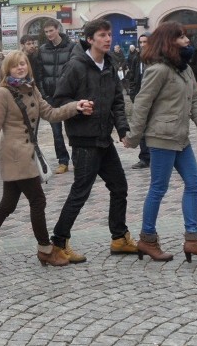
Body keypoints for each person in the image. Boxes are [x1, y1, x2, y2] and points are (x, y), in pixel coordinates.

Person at [0, 51, 93, 270]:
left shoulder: (31, 88)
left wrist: (75, 107)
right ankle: (45, 250)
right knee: (37, 201)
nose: (20, 68)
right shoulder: (2, 93)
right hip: (16, 155)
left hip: (27, 154)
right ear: (6, 69)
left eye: (23, 64)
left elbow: (51, 113)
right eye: (15, 65)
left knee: (7, 205)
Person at [123, 22, 197, 263]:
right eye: (180, 37)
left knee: (194, 182)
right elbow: (142, 104)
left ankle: (193, 239)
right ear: (170, 41)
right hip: (161, 138)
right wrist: (134, 138)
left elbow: (196, 104)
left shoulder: (185, 69)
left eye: (185, 36)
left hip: (181, 138)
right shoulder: (158, 70)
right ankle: (147, 239)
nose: (187, 40)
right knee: (158, 188)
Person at [50, 18, 137, 262]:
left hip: (103, 139)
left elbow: (117, 101)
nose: (108, 39)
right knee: (80, 192)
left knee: (119, 187)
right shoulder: (76, 66)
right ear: (90, 39)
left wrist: (122, 129)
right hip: (84, 139)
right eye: (102, 35)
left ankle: (119, 238)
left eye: (109, 34)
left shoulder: (110, 64)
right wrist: (77, 106)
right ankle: (58, 243)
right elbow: (58, 100)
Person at [39, 18, 76, 174]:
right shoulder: (42, 49)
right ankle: (62, 161)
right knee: (56, 132)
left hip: (67, 95)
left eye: (51, 31)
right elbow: (40, 73)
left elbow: (75, 70)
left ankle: (77, 159)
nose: (49, 34)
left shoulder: (71, 47)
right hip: (51, 96)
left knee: (73, 130)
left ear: (57, 29)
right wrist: (44, 94)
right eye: (46, 32)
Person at [127, 33, 151, 169]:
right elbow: (132, 77)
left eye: (145, 42)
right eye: (140, 42)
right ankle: (144, 158)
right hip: (139, 98)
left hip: (153, 99)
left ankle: (158, 155)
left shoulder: (157, 58)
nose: (142, 45)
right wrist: (133, 95)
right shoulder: (137, 58)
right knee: (141, 127)